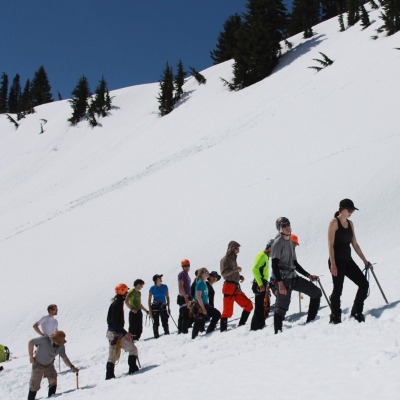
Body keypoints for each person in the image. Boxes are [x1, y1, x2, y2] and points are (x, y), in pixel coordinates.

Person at [272, 217, 322, 334]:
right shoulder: (277, 243)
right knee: (281, 309)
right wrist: (280, 284)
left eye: (288, 224)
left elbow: (295, 263)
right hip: (284, 280)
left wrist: (308, 275)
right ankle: (277, 334)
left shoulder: (290, 241)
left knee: (316, 293)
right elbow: (274, 265)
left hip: (294, 277)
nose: (287, 227)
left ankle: (311, 322)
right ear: (279, 228)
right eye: (284, 225)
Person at [328, 199, 371, 324]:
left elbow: (355, 245)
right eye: (350, 210)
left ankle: (356, 311)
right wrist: (333, 264)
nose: (351, 212)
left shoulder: (350, 224)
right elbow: (330, 244)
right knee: (338, 290)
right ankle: (335, 317)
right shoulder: (334, 222)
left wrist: (365, 260)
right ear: (342, 209)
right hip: (336, 261)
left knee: (364, 284)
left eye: (352, 210)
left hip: (348, 260)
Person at [27, 330, 78, 400]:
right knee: (34, 385)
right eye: (58, 342)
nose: (60, 344)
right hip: (38, 364)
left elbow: (65, 358)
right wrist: (30, 356)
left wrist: (71, 367)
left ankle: (51, 398)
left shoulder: (61, 346)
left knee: (53, 380)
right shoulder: (44, 340)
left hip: (49, 365)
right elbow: (31, 342)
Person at [106, 283, 139, 379]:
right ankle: (133, 369)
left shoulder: (116, 303)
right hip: (117, 333)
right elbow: (116, 323)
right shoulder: (117, 305)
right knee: (133, 349)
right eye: (126, 291)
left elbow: (111, 321)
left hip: (111, 333)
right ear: (123, 292)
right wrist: (126, 333)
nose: (127, 293)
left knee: (112, 356)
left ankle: (109, 376)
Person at [220, 241, 253, 332]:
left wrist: (239, 277)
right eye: (237, 248)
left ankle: (241, 326)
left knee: (249, 305)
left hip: (235, 287)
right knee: (227, 312)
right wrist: (235, 270)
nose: (238, 250)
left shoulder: (233, 258)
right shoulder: (225, 259)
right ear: (232, 248)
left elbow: (231, 273)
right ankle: (223, 332)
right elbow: (223, 273)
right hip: (229, 287)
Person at [250, 240, 273, 331]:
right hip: (259, 284)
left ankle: (260, 325)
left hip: (262, 283)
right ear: (269, 247)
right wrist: (260, 284)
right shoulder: (262, 255)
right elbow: (254, 269)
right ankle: (256, 327)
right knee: (259, 306)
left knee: (262, 305)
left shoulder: (265, 256)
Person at [192, 268, 221, 338]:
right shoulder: (200, 283)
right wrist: (203, 308)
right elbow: (198, 296)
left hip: (205, 305)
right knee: (198, 323)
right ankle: (194, 338)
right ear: (202, 274)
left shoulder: (204, 283)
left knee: (216, 314)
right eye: (206, 272)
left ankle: (209, 331)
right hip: (200, 306)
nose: (208, 272)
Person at [177, 259, 192, 334]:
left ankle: (181, 330)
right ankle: (183, 331)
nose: (187, 267)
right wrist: (186, 297)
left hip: (186, 296)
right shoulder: (182, 274)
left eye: (188, 265)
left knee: (183, 314)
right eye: (185, 266)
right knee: (185, 314)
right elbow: (181, 286)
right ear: (182, 267)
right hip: (183, 297)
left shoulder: (186, 274)